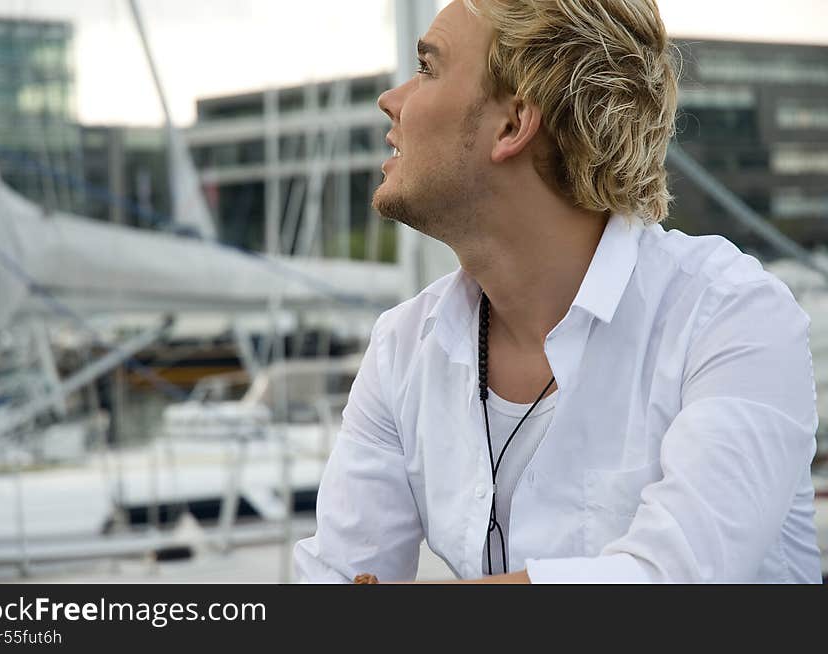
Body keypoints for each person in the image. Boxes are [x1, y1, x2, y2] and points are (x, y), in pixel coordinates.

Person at [293, 0, 822, 583]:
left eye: (428, 68)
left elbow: (672, 582)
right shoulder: (402, 348)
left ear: (514, 124)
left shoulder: (729, 315)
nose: (390, 100)